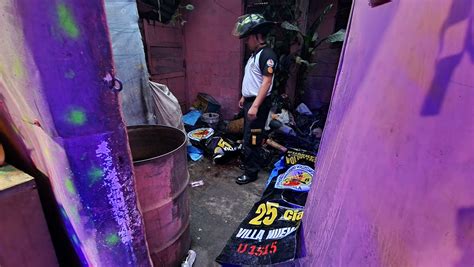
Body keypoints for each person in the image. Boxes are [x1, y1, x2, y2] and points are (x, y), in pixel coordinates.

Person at [232, 14, 278, 185]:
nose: (246, 41)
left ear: (257, 36)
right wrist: (245, 97)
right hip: (251, 101)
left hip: (258, 104)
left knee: (253, 137)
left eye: (248, 37)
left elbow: (267, 81)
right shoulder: (255, 55)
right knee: (249, 135)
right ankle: (250, 164)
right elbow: (254, 79)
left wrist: (255, 106)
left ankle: (251, 172)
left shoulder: (267, 54)